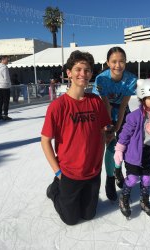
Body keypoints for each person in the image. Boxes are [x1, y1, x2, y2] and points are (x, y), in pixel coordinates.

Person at [41, 50, 112, 225]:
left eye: (87, 70)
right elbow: (45, 141)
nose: (83, 74)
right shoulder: (58, 106)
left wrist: (111, 132)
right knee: (71, 220)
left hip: (93, 171)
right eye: (78, 69)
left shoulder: (96, 102)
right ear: (69, 73)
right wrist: (58, 172)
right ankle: (54, 190)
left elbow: (105, 127)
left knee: (89, 215)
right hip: (69, 173)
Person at [113, 77, 150, 218]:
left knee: (147, 179)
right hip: (134, 153)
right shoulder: (135, 116)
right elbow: (125, 133)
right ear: (142, 98)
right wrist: (119, 149)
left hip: (149, 152)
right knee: (132, 178)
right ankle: (124, 198)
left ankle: (144, 201)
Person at [92, 46, 137, 201]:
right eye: (114, 61)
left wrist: (119, 125)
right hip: (105, 110)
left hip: (123, 111)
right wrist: (110, 127)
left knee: (124, 144)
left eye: (122, 61)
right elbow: (106, 105)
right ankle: (110, 179)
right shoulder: (101, 79)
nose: (118, 65)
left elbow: (124, 104)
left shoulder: (131, 79)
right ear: (107, 63)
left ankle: (118, 170)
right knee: (111, 144)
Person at [0, 55, 12, 120]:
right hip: (5, 86)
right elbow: (6, 77)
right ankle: (5, 115)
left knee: (0, 101)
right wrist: (9, 84)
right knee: (6, 101)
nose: (7, 60)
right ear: (2, 60)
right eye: (6, 59)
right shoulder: (5, 68)